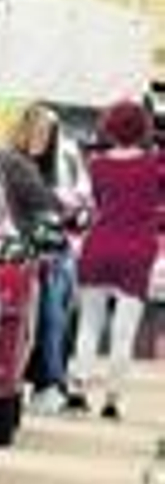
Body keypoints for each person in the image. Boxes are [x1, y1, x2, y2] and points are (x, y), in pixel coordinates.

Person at [68, 98, 161, 420]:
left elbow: (98, 202)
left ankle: (78, 389)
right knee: (124, 330)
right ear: (143, 128)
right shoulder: (156, 165)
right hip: (137, 251)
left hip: (100, 246)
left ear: (109, 127)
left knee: (89, 324)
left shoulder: (98, 164)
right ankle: (112, 398)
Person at [0, 103, 78, 414]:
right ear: (25, 129)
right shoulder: (15, 162)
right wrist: (67, 213)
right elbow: (48, 202)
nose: (43, 140)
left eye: (49, 135)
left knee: (57, 307)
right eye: (40, 132)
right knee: (52, 317)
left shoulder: (28, 164)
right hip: (22, 254)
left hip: (34, 250)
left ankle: (53, 379)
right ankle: (51, 381)